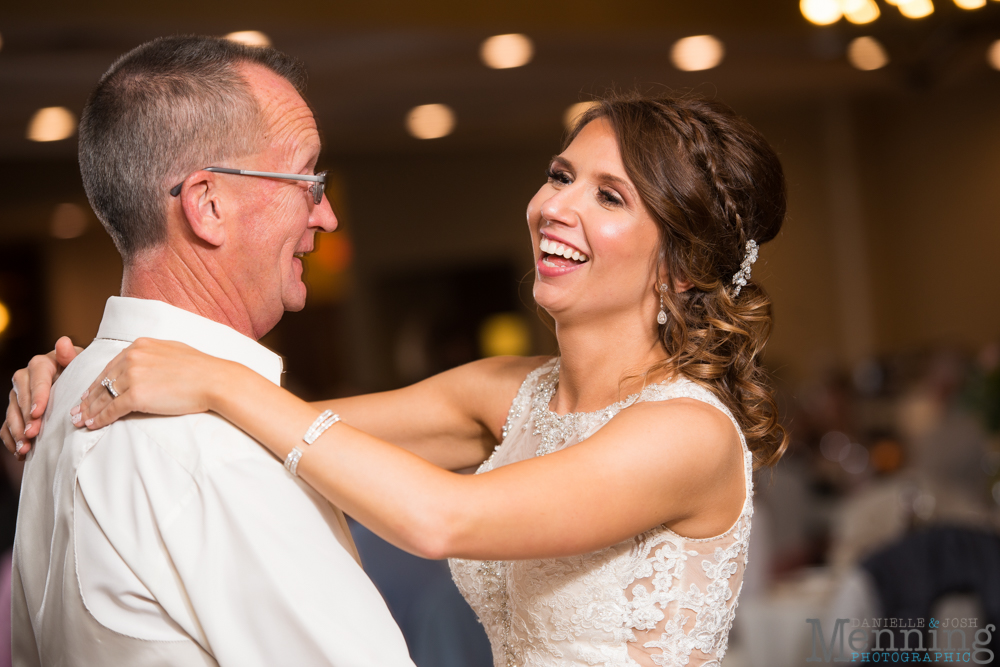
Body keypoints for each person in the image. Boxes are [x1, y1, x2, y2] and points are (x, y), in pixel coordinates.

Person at [5, 92, 789, 666]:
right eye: (560, 175)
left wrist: (214, 379)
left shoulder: (687, 431)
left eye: (609, 196)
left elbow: (441, 518)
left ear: (684, 268)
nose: (556, 207)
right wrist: (90, 374)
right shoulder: (506, 392)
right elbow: (285, 429)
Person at [0, 35, 416, 666]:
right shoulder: (216, 450)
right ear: (208, 205)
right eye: (308, 178)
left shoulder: (61, 397)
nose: (327, 215)